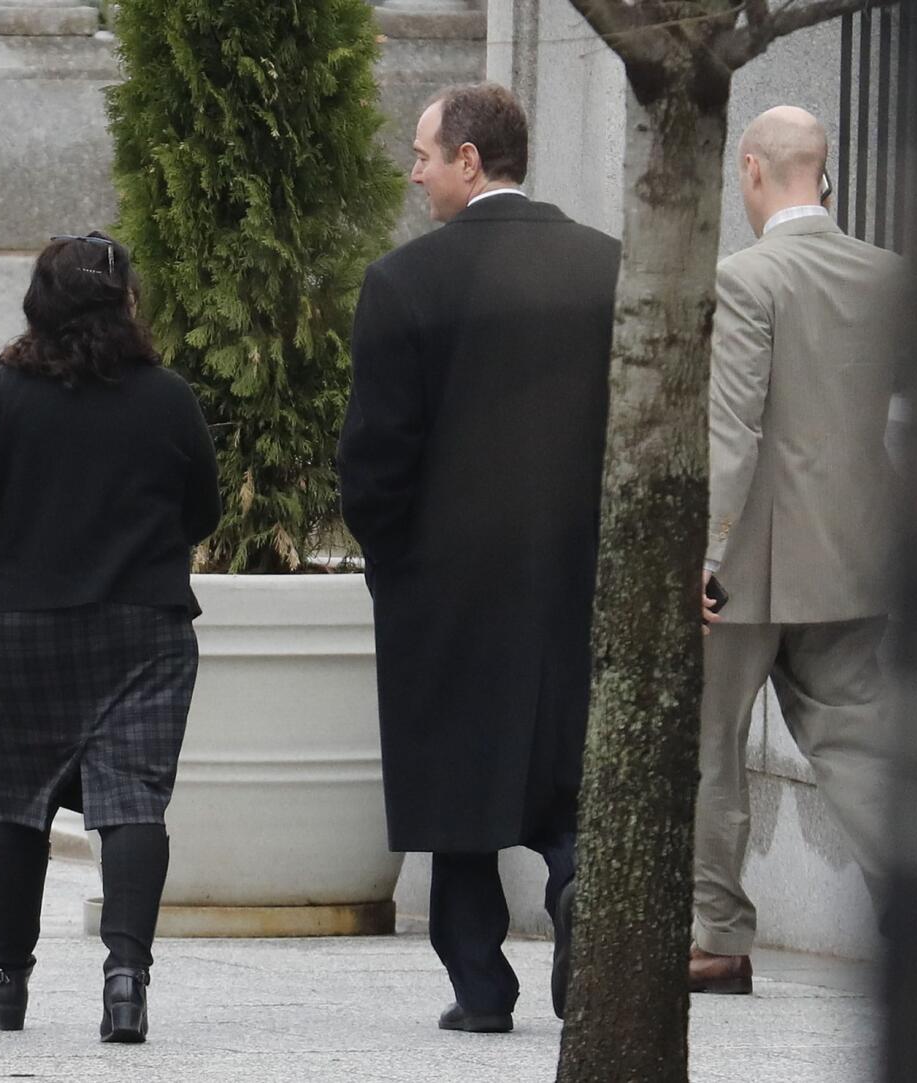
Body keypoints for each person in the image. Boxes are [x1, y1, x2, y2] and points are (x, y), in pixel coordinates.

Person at [337, 83, 619, 1033]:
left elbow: (376, 451)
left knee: (457, 781)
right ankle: (578, 879)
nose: (413, 172)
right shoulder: (607, 268)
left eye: (422, 154)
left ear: (469, 159)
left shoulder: (404, 282)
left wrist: (389, 561)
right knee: (568, 760)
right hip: (577, 569)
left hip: (444, 579)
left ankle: (480, 986)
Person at [0, 232, 221, 1041]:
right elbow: (204, 510)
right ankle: (125, 979)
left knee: (16, 800)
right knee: (134, 800)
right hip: (143, 628)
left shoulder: (8, 395)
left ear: (41, 304)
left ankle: (8, 978)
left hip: (21, 629)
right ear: (128, 305)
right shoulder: (167, 397)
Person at [691, 107, 902, 994]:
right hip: (853, 553)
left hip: (746, 569)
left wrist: (706, 554)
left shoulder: (745, 278)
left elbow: (732, 430)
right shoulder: (887, 274)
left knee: (712, 746)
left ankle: (719, 935)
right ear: (823, 172)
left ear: (751, 170)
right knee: (859, 743)